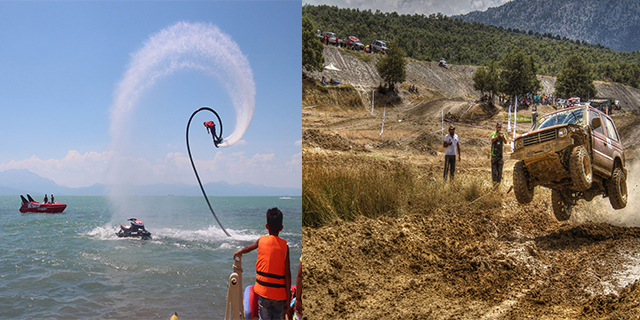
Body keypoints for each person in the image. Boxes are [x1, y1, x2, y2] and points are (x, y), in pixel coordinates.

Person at [234, 208, 291, 320]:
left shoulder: (261, 241)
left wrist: (239, 252)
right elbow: (287, 274)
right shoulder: (285, 247)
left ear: (266, 226)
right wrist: (288, 297)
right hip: (279, 295)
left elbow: (248, 248)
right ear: (281, 228)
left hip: (264, 293)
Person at [491, 123, 507, 187]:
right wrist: (497, 136)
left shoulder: (503, 134)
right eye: (498, 127)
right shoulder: (494, 133)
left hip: (500, 156)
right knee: (494, 171)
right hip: (494, 155)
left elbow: (506, 142)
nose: (499, 128)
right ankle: (494, 184)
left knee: (500, 171)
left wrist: (503, 137)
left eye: (500, 127)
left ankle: (498, 184)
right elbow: (492, 140)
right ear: (496, 127)